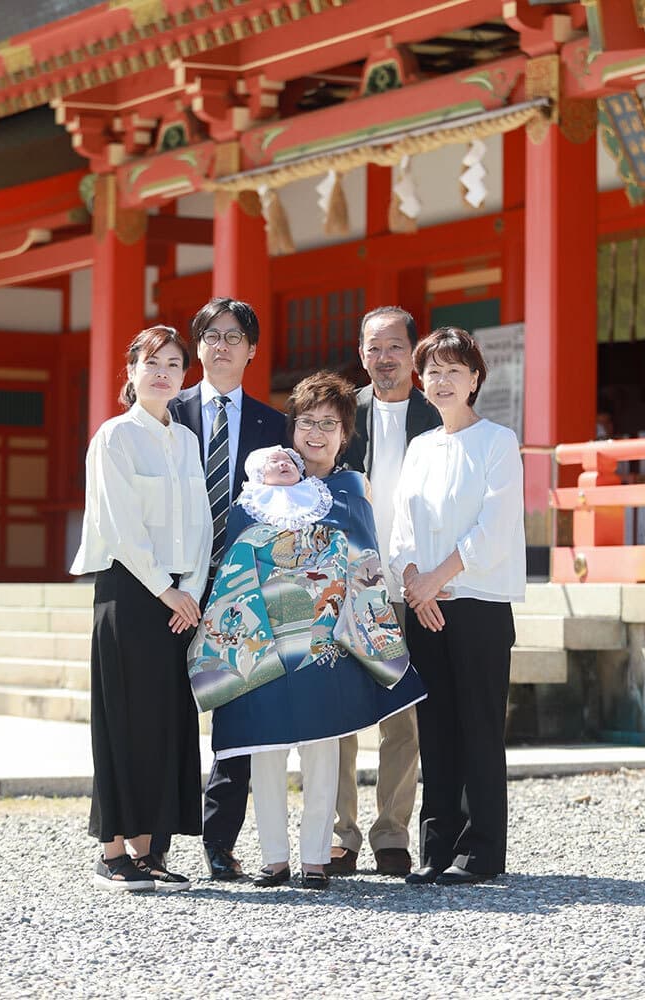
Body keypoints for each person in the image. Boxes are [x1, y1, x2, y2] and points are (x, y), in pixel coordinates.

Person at [188, 374, 426, 890]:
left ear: (345, 435)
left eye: (329, 424)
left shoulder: (348, 488)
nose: (315, 433)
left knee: (324, 749)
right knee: (264, 748)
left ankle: (316, 857)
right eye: (306, 422)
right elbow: (234, 564)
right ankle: (274, 858)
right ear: (290, 428)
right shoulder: (256, 492)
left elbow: (365, 559)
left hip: (327, 641)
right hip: (263, 640)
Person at [70, 324, 212, 892]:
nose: (162, 372)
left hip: (182, 598)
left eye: (174, 364)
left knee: (168, 722)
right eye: (151, 362)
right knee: (123, 718)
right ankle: (113, 851)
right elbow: (119, 525)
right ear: (130, 371)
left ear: (185, 376)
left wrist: (192, 590)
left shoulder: (186, 440)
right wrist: (164, 588)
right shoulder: (115, 438)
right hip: (130, 592)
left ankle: (151, 848)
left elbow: (201, 522)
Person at [154, 297, 288, 881]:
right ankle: (150, 841)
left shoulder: (272, 424)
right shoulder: (167, 410)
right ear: (197, 346)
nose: (223, 345)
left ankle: (219, 842)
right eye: (211, 335)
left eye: (235, 336)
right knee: (162, 714)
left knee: (234, 715)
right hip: (171, 587)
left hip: (241, 589)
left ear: (252, 350)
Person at [390, 326, 526, 887]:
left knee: (478, 726)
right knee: (437, 729)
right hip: (425, 606)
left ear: (475, 379)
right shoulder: (421, 447)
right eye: (433, 371)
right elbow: (402, 528)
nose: (442, 381)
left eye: (454, 371)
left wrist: (437, 579)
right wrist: (413, 582)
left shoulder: (498, 441)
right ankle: (436, 847)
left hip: (477, 603)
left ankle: (480, 851)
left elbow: (491, 527)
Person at [330, 306, 441, 878]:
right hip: (351, 583)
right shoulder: (345, 415)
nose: (384, 358)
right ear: (362, 351)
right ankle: (341, 834)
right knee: (344, 712)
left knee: (403, 716)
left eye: (395, 346)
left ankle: (392, 831)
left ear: (414, 352)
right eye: (373, 348)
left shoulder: (436, 415)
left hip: (413, 586)